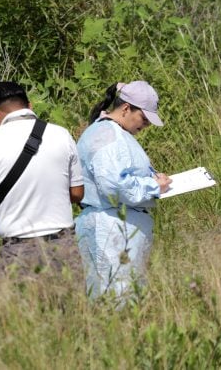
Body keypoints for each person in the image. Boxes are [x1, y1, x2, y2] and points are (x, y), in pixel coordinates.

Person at [0, 81, 84, 278]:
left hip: (18, 249)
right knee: (69, 306)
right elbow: (77, 193)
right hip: (63, 245)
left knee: (21, 308)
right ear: (29, 106)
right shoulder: (62, 135)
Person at [75, 81, 171, 302]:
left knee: (125, 296)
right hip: (111, 227)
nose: (145, 125)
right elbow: (114, 186)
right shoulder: (107, 135)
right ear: (126, 108)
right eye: (144, 119)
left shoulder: (116, 133)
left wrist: (153, 179)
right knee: (115, 298)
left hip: (119, 225)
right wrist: (154, 186)